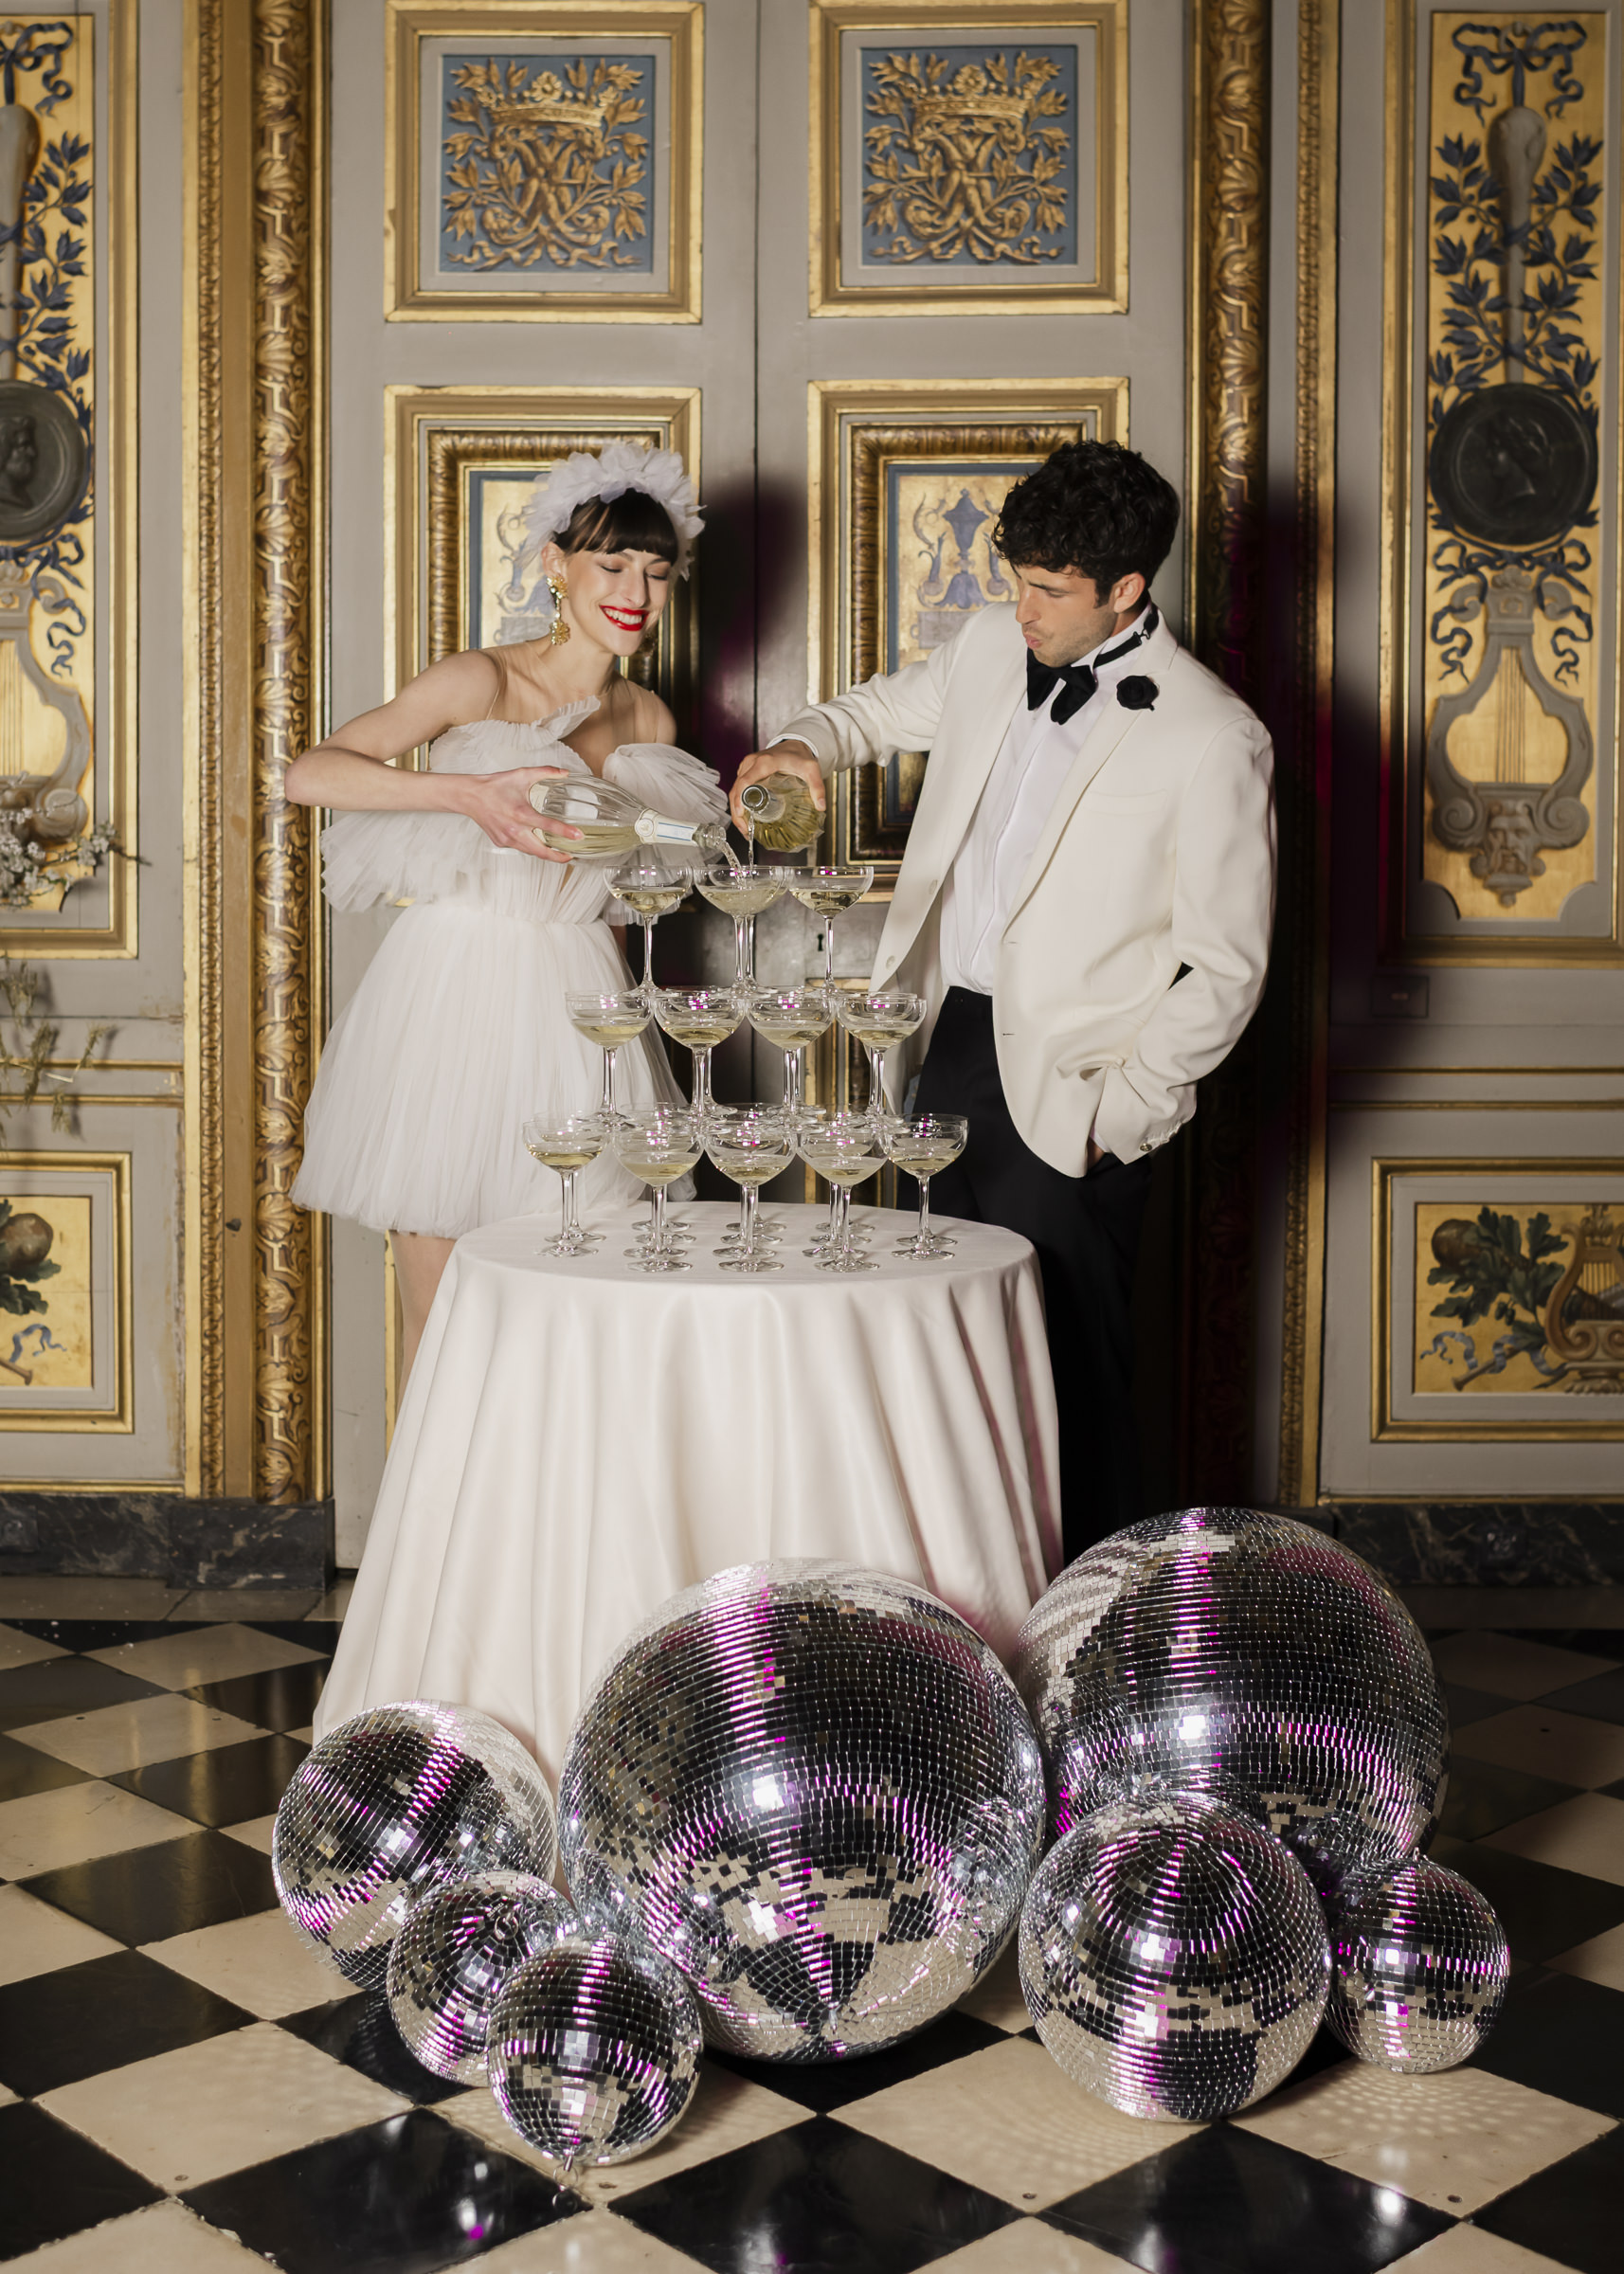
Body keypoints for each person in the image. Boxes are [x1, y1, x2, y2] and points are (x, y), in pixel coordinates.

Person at [732, 441, 1275, 1559]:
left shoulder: (1213, 733)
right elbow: (870, 714)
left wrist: (1118, 1111)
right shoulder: (991, 646)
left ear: (1127, 591)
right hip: (943, 1045)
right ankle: (961, 1610)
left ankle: (1097, 1636)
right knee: (942, 1346)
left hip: (1072, 1086)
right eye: (1012, 576)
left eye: (1046, 590)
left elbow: (1226, 968)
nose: (1015, 606)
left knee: (1069, 1372)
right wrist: (799, 745)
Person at [287, 443, 725, 1382]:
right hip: (457, 988)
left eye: (655, 572)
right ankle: (433, 1533)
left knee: (577, 1297)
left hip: (580, 996)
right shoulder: (479, 680)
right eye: (611, 565)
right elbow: (310, 773)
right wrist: (470, 795)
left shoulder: (648, 717)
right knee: (441, 1303)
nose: (635, 594)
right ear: (553, 565)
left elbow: (620, 900)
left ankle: (549, 1526)